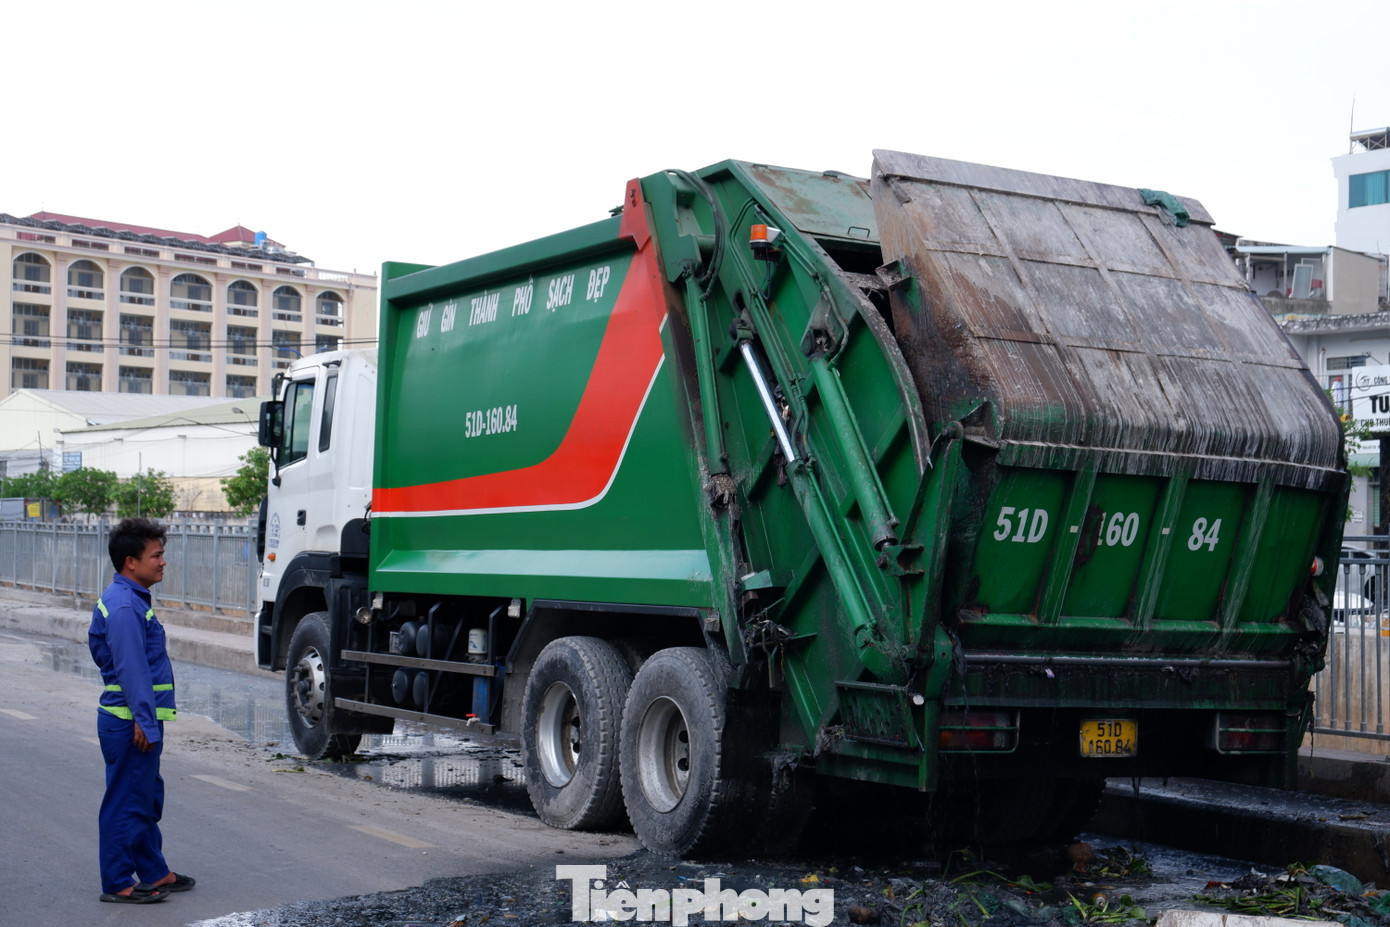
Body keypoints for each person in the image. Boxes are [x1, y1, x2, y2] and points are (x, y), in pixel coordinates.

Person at [88, 517, 197, 904]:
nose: (163, 562)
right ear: (131, 562)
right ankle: (118, 881)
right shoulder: (123, 608)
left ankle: (154, 871)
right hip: (128, 721)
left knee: (146, 796)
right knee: (126, 802)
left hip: (133, 720)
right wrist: (144, 722)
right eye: (157, 555)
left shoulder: (132, 601)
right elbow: (133, 671)